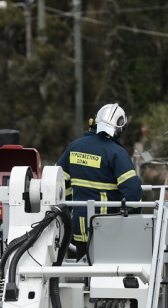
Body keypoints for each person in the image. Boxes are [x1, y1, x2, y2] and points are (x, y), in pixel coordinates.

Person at [57, 103, 142, 258]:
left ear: (95, 121)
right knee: (105, 274)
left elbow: (58, 181)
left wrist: (69, 206)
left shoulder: (74, 147)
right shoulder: (116, 152)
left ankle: (88, 283)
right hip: (107, 228)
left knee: (86, 269)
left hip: (78, 225)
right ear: (119, 129)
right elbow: (133, 193)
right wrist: (134, 218)